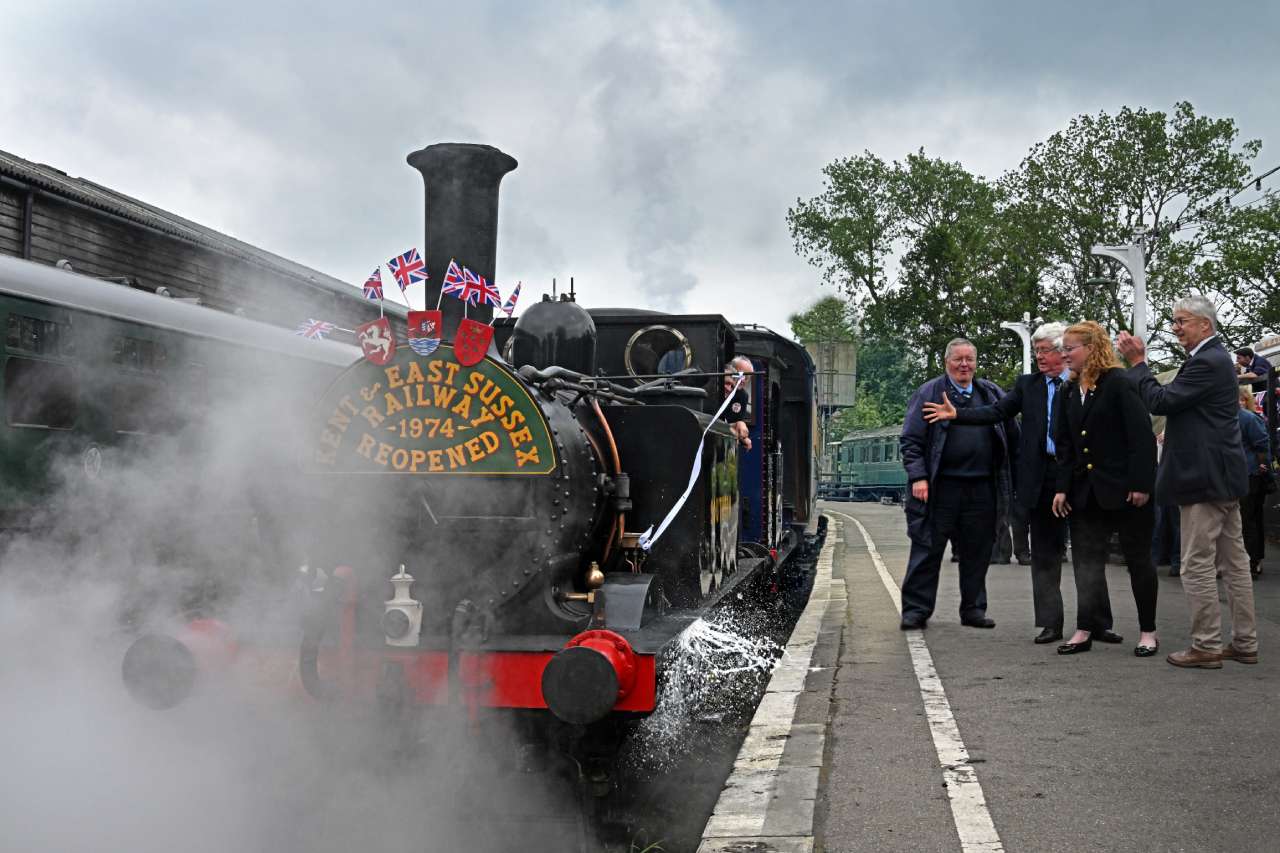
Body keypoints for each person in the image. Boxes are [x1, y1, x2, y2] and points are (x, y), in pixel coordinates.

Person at [923, 322, 1120, 645]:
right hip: (1040, 479)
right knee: (1044, 554)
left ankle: (1097, 623)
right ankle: (1050, 624)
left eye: (1045, 350)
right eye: (1037, 351)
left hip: (1079, 478)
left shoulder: (1082, 385)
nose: (1039, 357)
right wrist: (957, 414)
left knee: (1089, 551)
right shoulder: (1028, 386)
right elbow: (997, 411)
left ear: (1062, 352)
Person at [1117, 296, 1256, 669]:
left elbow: (1160, 400)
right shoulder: (1218, 360)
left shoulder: (1205, 362)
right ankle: (1244, 641)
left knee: (1197, 564)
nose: (1176, 327)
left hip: (1202, 478)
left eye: (1182, 321)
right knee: (1234, 562)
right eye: (1174, 320)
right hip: (1222, 477)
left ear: (1204, 326)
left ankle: (1206, 645)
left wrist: (1138, 363)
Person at [1049, 322, 1159, 657]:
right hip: (1085, 493)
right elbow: (1065, 446)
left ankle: (1148, 632)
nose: (1064, 354)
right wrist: (1062, 489)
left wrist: (1141, 485)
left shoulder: (1119, 383)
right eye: (1063, 349)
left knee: (1138, 561)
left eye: (1070, 348)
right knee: (1086, 564)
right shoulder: (1068, 391)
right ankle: (1084, 629)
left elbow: (1141, 438)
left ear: (1092, 348)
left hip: (1125, 491)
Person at [899, 338, 1018, 630]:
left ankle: (974, 609)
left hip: (982, 488)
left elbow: (1013, 437)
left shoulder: (991, 394)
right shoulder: (929, 393)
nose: (964, 365)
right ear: (946, 362)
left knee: (978, 552)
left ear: (976, 363)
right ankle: (915, 610)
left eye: (969, 359)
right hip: (940, 488)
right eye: (958, 359)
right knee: (927, 550)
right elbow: (911, 441)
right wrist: (918, 476)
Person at [1237, 386, 1271, 577]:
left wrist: (1262, 466)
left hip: (1249, 475)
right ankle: (1251, 561)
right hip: (1246, 474)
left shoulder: (1248, 418)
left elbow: (1262, 445)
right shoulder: (1248, 418)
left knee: (1247, 520)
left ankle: (1251, 562)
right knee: (1249, 520)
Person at [722, 356, 753, 451]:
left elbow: (736, 423)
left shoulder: (743, 396)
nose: (742, 379)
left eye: (746, 377)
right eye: (740, 374)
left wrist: (742, 436)